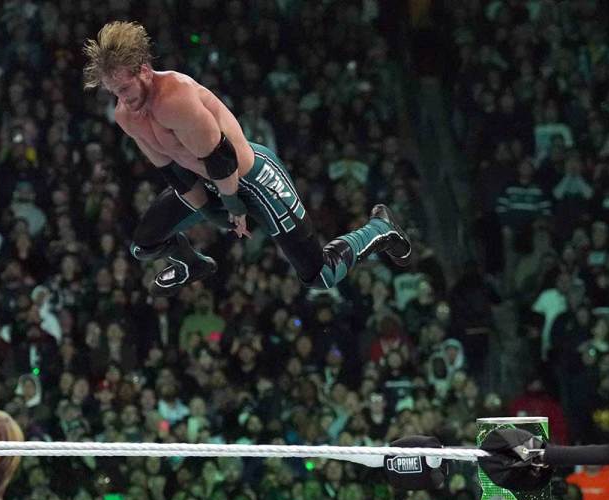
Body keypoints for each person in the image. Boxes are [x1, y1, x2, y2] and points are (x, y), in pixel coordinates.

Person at [83, 21, 411, 297]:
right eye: (114, 92)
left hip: (250, 177)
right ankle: (192, 264)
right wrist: (210, 213)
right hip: (207, 180)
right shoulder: (126, 116)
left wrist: (233, 206)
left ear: (143, 70)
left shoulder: (174, 97)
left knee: (321, 276)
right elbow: (172, 171)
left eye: (124, 88)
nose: (122, 99)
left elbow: (221, 158)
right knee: (144, 245)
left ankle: (380, 229)